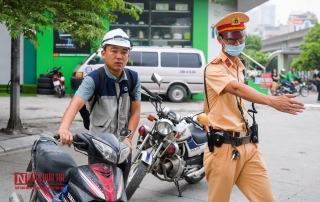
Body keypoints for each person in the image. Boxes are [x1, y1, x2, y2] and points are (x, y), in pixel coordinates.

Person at [204, 12, 305, 202]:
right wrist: (272, 101)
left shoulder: (238, 67)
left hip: (248, 145)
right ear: (220, 40)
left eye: (241, 38)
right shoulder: (214, 68)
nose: (238, 44)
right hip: (223, 148)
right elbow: (235, 88)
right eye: (232, 40)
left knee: (267, 199)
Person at [58, 28, 141, 187]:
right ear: (103, 53)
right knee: (98, 191)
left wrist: (127, 139)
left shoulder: (133, 78)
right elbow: (75, 103)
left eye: (124, 52)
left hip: (123, 148)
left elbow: (136, 112)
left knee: (120, 190)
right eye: (114, 51)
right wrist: (64, 128)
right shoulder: (94, 79)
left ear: (128, 56)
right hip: (99, 148)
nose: (119, 56)